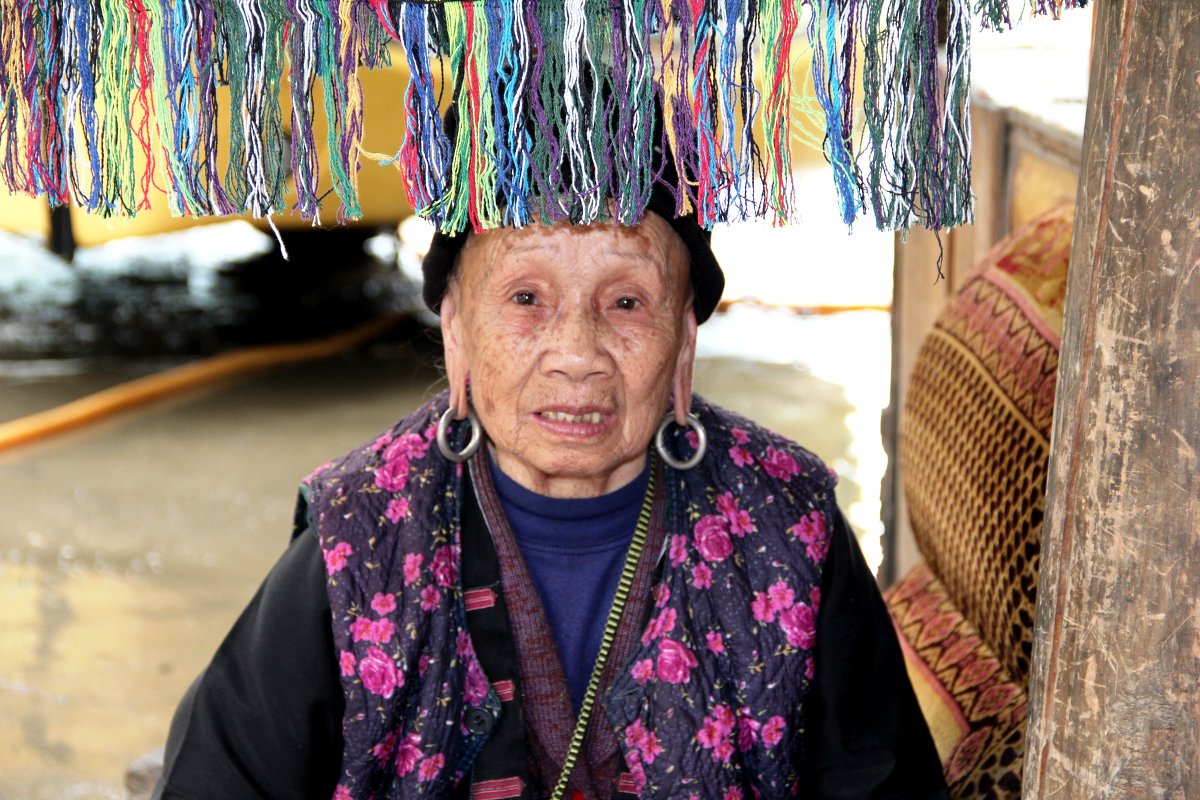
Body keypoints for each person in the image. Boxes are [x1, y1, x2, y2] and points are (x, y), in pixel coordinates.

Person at [153, 188, 948, 799]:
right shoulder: (361, 532)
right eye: (526, 298)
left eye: (627, 302)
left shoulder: (787, 525)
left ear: (684, 342)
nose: (578, 354)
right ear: (457, 331)